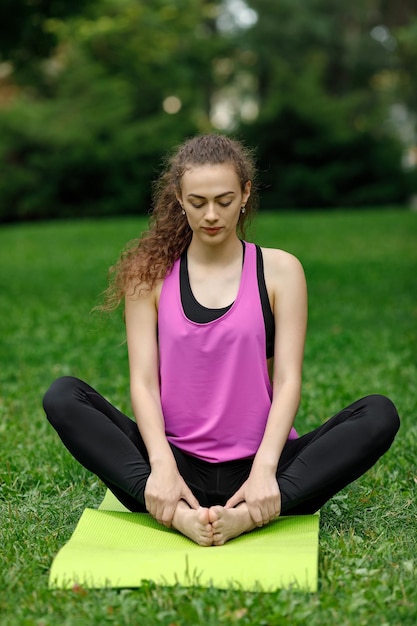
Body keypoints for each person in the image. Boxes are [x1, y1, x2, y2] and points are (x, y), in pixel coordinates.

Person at [43, 133, 400, 547]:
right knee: (63, 395)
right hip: (172, 468)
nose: (211, 215)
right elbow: (144, 382)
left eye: (224, 200)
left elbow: (287, 380)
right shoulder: (149, 277)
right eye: (197, 202)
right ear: (179, 197)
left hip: (265, 470)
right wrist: (160, 468)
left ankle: (248, 515)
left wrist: (265, 471)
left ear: (246, 194)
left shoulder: (281, 271)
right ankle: (177, 513)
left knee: (379, 413)